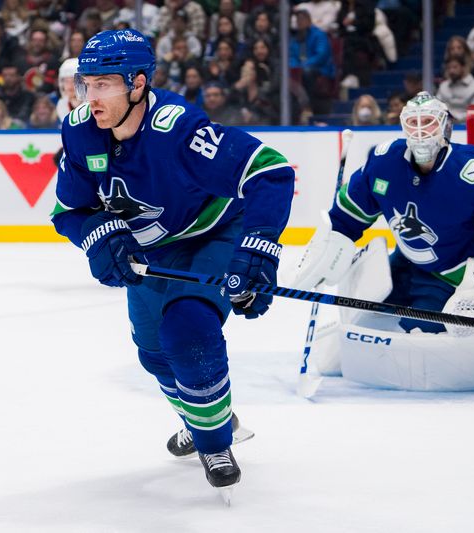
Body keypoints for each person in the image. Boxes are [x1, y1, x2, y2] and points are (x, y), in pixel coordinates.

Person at [51, 29, 295, 498]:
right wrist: (99, 237)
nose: (90, 96)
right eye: (87, 84)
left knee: (188, 331)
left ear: (138, 83)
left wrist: (259, 247)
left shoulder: (178, 129)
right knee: (154, 354)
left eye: (104, 85)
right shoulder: (80, 130)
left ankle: (214, 442)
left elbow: (270, 170)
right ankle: (203, 416)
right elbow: (69, 211)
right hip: (153, 252)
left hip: (213, 234)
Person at [292, 92, 474, 393]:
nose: (421, 131)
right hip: (405, 263)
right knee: (366, 319)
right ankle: (344, 346)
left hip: (453, 277)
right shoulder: (385, 161)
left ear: (444, 127)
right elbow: (349, 215)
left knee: (424, 337)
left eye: (427, 122)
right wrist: (332, 245)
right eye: (413, 123)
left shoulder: (473, 171)